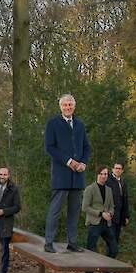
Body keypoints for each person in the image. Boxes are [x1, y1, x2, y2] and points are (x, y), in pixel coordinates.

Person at [44, 94, 91, 253]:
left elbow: (86, 147)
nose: (68, 107)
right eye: (65, 105)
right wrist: (69, 161)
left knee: (74, 211)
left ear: (74, 106)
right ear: (61, 107)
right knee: (55, 210)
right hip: (61, 175)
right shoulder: (53, 124)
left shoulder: (80, 124)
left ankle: (72, 242)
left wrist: (83, 163)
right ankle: (48, 242)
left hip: (77, 177)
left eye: (70, 105)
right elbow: (50, 148)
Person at [81, 166, 120, 273]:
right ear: (97, 174)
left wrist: (110, 213)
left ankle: (106, 272)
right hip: (94, 223)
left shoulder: (108, 189)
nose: (104, 176)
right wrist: (100, 213)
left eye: (106, 174)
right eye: (102, 174)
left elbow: (112, 206)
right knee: (91, 250)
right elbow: (85, 207)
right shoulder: (90, 189)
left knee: (114, 248)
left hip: (106, 223)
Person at [106, 162, 130, 245]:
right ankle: (108, 257)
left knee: (116, 240)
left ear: (122, 171)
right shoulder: (108, 181)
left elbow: (125, 200)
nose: (117, 170)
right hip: (110, 216)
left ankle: (112, 257)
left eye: (119, 169)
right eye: (116, 168)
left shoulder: (123, 182)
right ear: (112, 169)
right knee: (111, 240)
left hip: (119, 217)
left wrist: (126, 216)